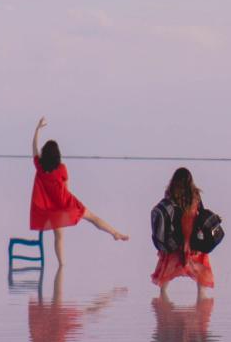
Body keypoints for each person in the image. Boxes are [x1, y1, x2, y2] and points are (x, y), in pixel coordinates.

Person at [29, 117, 128, 266]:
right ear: (57, 155)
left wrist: (37, 129)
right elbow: (66, 188)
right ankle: (115, 233)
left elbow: (34, 148)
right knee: (93, 218)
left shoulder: (40, 167)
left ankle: (61, 266)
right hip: (66, 203)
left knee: (59, 238)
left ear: (45, 153)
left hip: (51, 209)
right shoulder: (61, 168)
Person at [150, 165, 216, 298]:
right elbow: (201, 215)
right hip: (193, 240)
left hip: (175, 240)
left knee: (166, 271)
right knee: (201, 270)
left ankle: (162, 298)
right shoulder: (195, 195)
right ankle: (201, 300)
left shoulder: (170, 195)